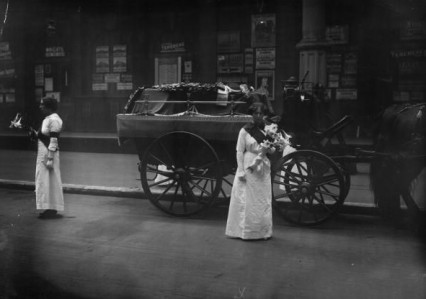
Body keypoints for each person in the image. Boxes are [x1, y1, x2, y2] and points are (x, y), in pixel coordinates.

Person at [225, 102, 275, 240]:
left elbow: (271, 149)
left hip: (263, 166)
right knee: (247, 198)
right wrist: (240, 170)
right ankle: (245, 231)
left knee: (261, 198)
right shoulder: (245, 130)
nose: (258, 116)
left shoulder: (268, 129)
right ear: (251, 115)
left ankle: (262, 231)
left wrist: (271, 148)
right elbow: (239, 151)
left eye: (261, 113)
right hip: (249, 166)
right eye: (256, 113)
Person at [31, 96, 64, 219]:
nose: (40, 107)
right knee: (43, 180)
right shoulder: (47, 119)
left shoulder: (54, 120)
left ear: (49, 107)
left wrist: (50, 158)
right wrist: (34, 134)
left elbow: (54, 140)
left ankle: (53, 208)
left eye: (42, 105)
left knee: (51, 180)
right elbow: (43, 135)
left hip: (49, 153)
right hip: (42, 152)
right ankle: (48, 207)